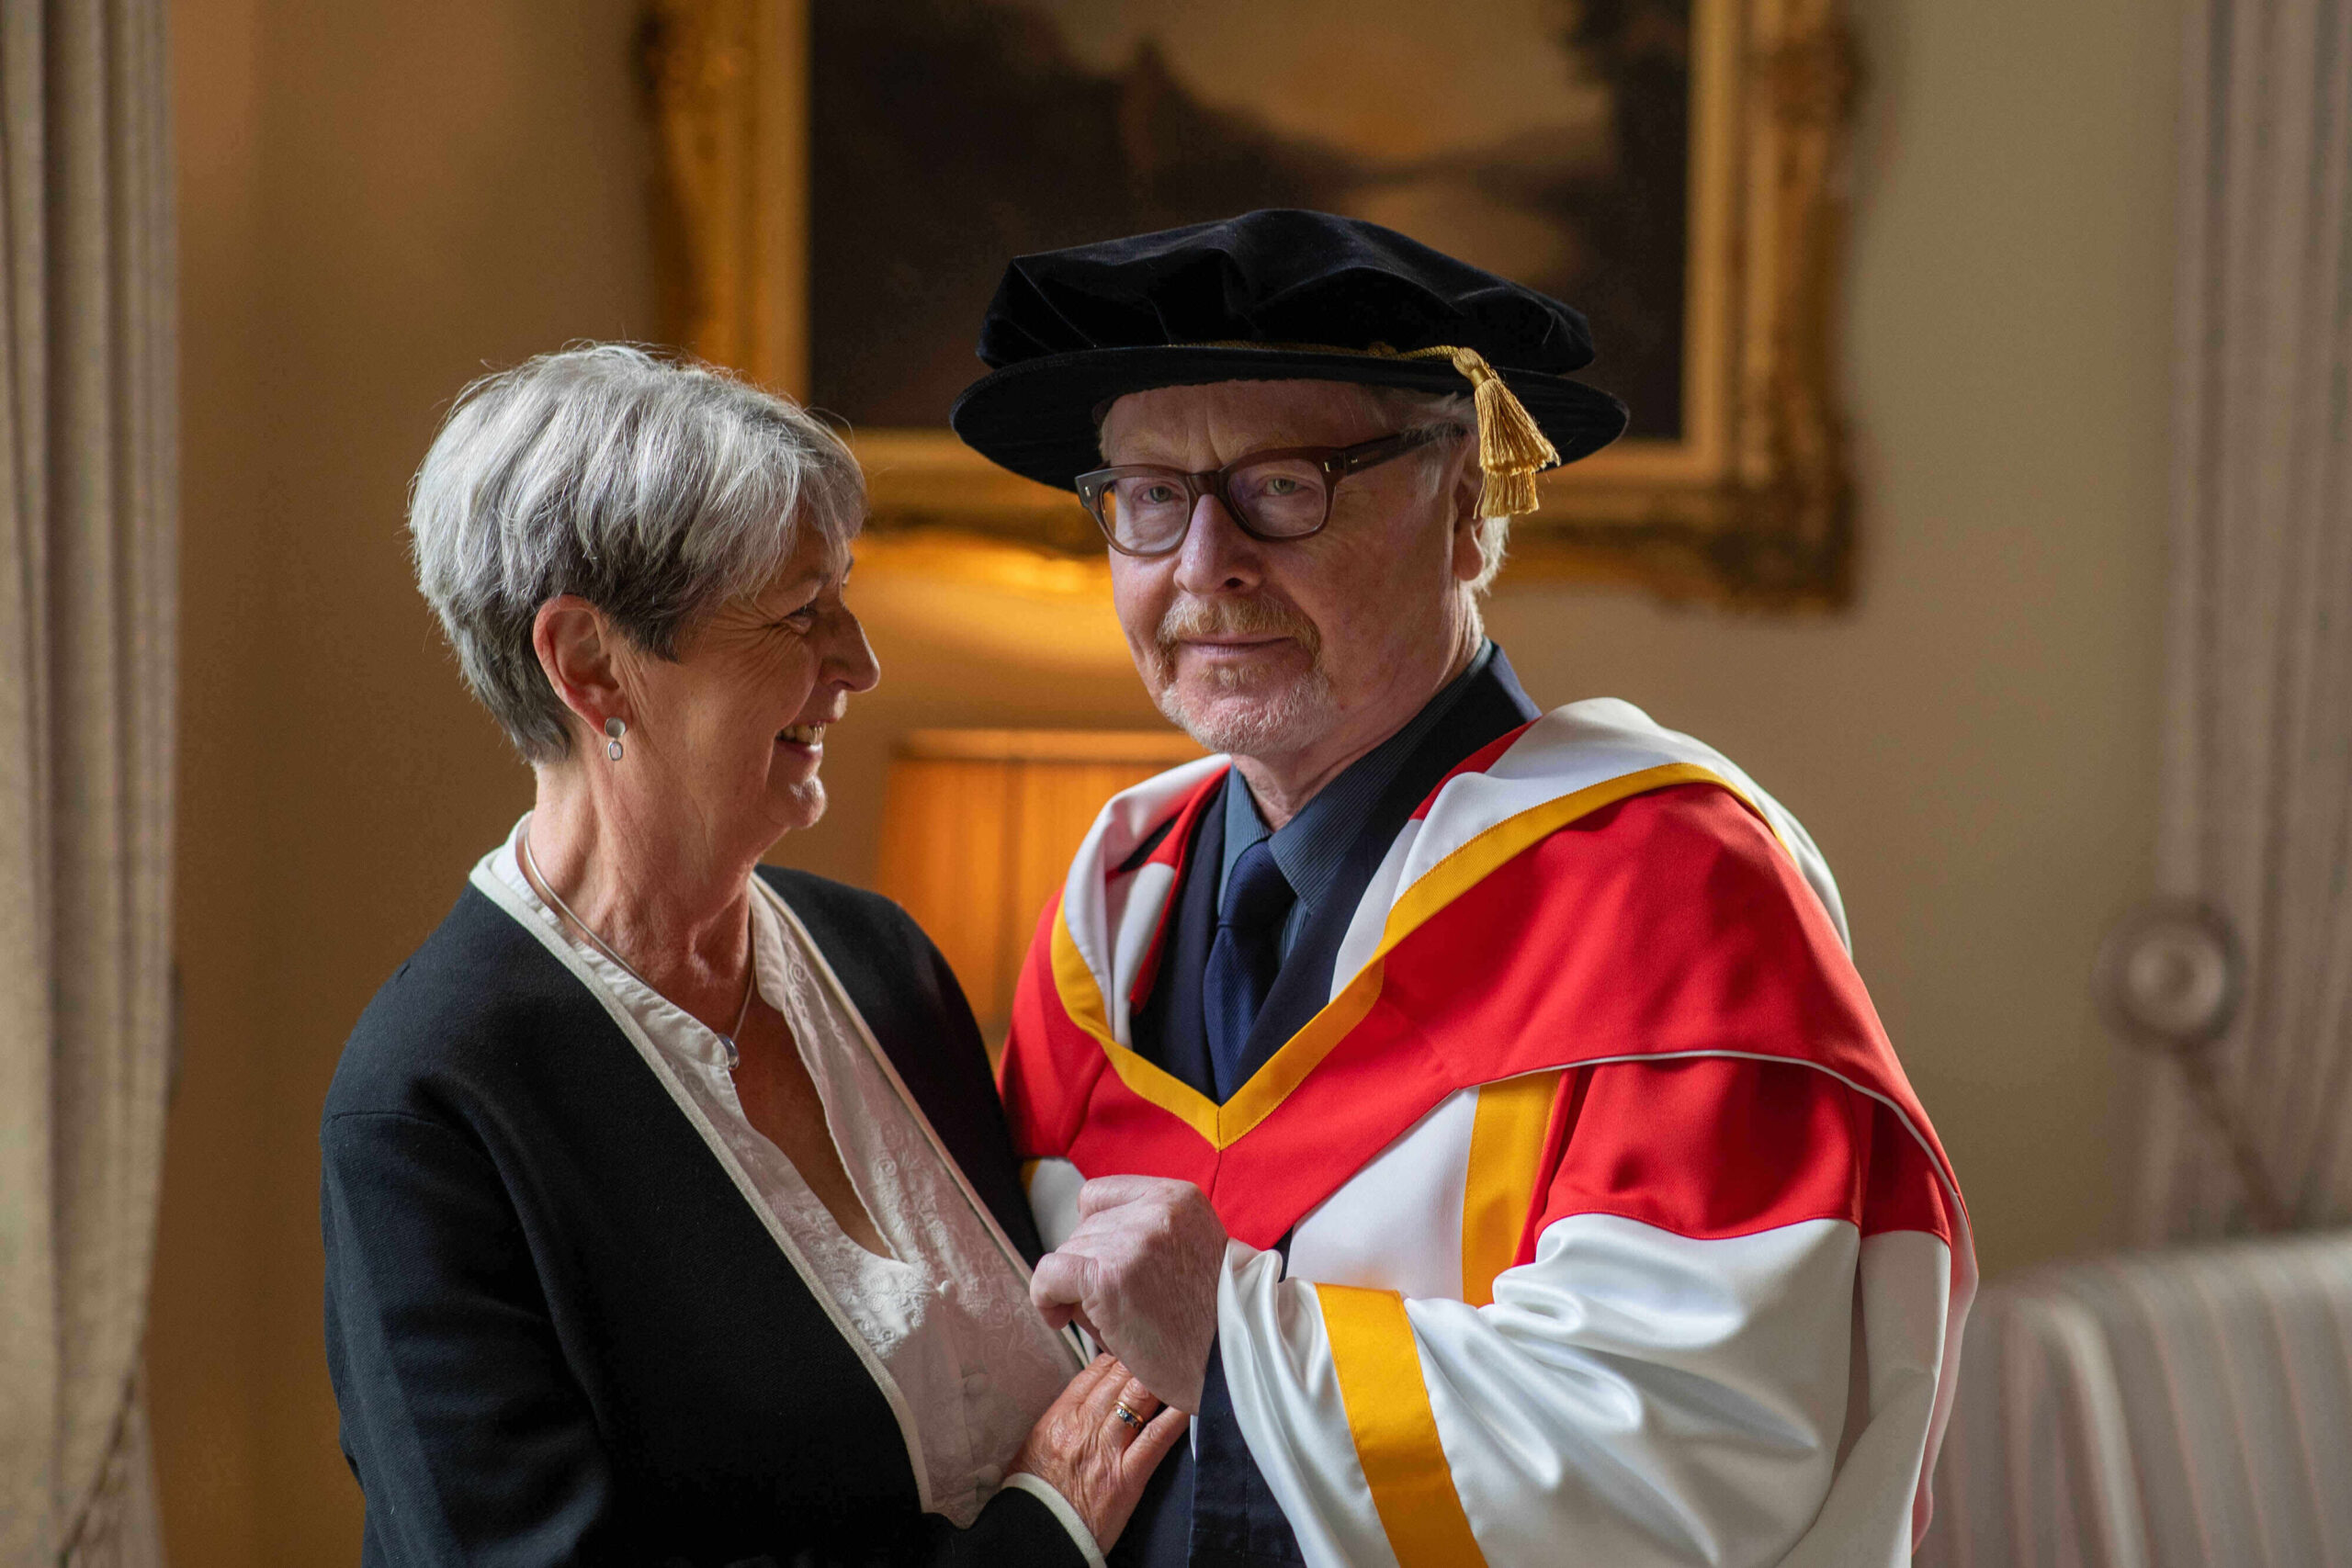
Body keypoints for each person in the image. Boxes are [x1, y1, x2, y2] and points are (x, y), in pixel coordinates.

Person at [953, 211, 1976, 1568]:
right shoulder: (1115, 902)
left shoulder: (1669, 890)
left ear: (1467, 506)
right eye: (1150, 496)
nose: (1204, 566)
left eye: (1283, 486)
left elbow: (1691, 1454)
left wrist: (1236, 1345)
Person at [321, 344, 1184, 1567]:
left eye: (843, 596)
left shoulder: (879, 962)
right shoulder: (429, 1102)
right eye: (797, 614)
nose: (860, 664)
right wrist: (1037, 1534)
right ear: (589, 663)